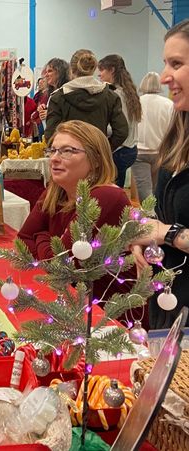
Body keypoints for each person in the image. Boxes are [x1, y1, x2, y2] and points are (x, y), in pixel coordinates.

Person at [18, 120, 132, 301]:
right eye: (53, 150)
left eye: (68, 151)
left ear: (95, 160)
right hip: (63, 299)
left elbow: (60, 264)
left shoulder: (106, 196)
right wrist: (45, 241)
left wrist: (40, 235)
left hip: (103, 311)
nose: (54, 158)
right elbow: (22, 241)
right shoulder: (56, 192)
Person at [131, 19, 189, 328]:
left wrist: (166, 233)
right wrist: (145, 236)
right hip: (169, 307)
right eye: (165, 63)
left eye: (176, 64)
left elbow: (166, 226)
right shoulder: (178, 134)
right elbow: (162, 214)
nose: (165, 76)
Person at [44, 49, 128, 153]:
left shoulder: (58, 97)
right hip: (98, 157)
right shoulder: (110, 96)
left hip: (69, 158)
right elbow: (122, 131)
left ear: (71, 70)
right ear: (93, 69)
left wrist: (63, 151)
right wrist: (104, 149)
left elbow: (50, 135)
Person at [98, 54, 142, 188]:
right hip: (130, 149)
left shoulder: (115, 94)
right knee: (118, 190)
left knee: (112, 193)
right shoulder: (128, 92)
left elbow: (120, 127)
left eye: (102, 70)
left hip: (120, 150)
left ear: (111, 70)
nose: (99, 75)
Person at [133, 72, 174, 201]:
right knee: (157, 190)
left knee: (144, 192)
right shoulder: (169, 104)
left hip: (139, 152)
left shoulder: (136, 102)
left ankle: (148, 219)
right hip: (160, 152)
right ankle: (157, 218)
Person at [37, 58, 70, 122]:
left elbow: (69, 117)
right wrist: (45, 109)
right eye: (46, 72)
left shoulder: (67, 93)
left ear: (60, 72)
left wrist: (50, 114)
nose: (46, 75)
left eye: (50, 71)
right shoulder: (51, 93)